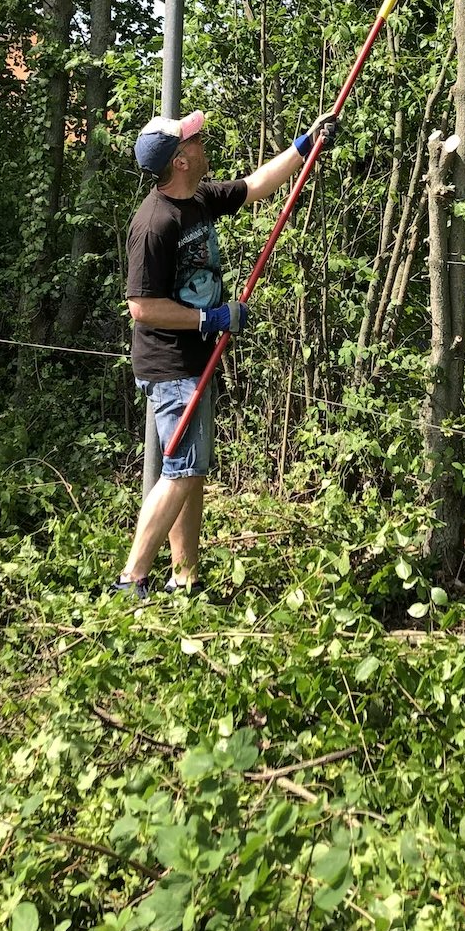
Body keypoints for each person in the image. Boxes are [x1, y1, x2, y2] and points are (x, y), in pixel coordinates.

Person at [114, 107, 338, 599]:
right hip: (170, 363)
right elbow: (141, 307)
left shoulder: (199, 199)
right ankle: (131, 579)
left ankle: (184, 578)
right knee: (181, 470)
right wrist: (208, 319)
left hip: (196, 359)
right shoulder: (155, 223)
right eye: (193, 141)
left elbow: (257, 184)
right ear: (179, 160)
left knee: (189, 470)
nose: (202, 143)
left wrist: (305, 145)